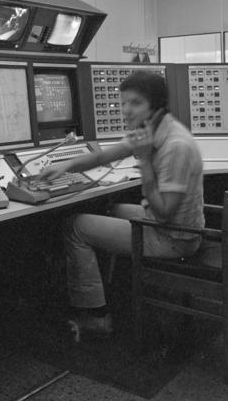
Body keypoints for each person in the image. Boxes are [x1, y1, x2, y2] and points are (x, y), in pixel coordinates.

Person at [36, 70, 204, 341]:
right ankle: (113, 292)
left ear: (156, 104)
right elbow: (104, 156)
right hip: (171, 226)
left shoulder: (175, 146)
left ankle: (96, 315)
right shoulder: (154, 129)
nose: (126, 110)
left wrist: (146, 161)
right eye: (123, 102)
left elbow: (164, 213)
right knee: (107, 211)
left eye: (135, 103)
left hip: (174, 238)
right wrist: (65, 165)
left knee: (75, 226)